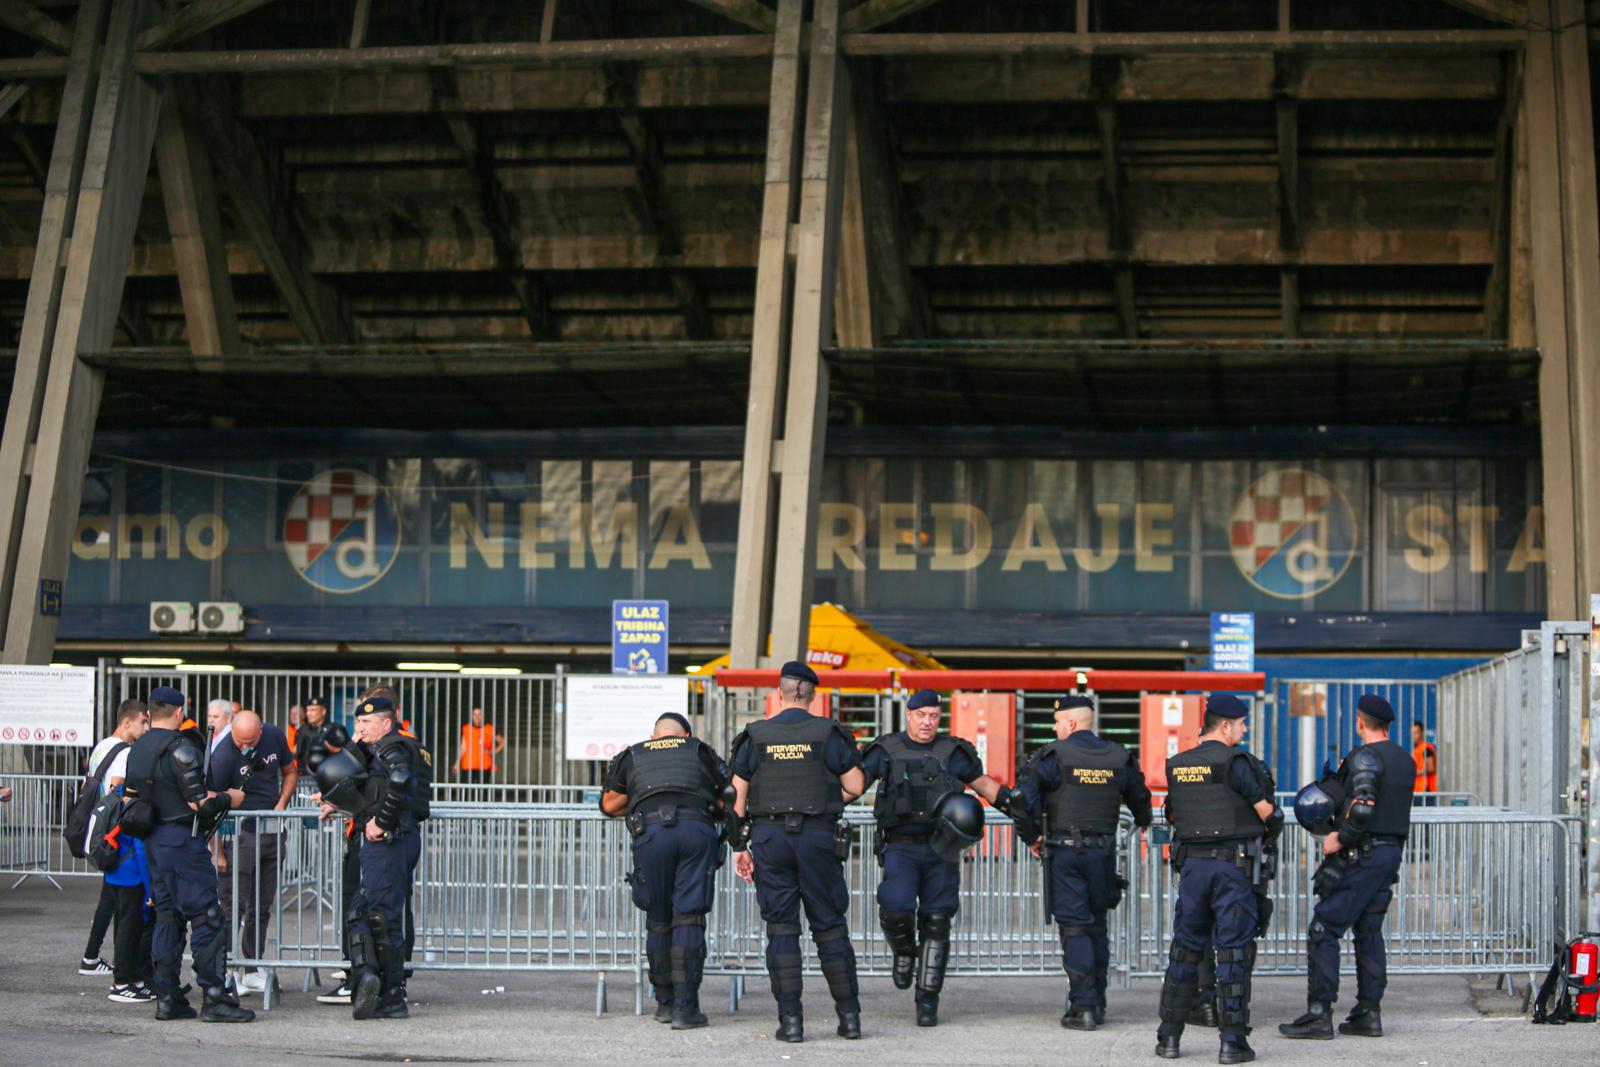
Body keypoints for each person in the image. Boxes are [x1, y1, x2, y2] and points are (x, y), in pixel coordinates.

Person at [859, 688, 1022, 1027]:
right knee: (896, 906)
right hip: (900, 846)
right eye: (921, 716)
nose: (927, 722)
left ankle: (927, 1000)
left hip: (941, 849)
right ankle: (904, 953)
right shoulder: (886, 749)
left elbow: (983, 785)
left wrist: (1015, 804)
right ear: (909, 715)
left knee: (937, 921)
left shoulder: (953, 751)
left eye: (933, 716)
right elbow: (853, 785)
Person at [728, 661, 867, 1043]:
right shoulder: (829, 732)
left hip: (770, 839)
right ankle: (850, 1019)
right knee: (830, 927)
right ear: (813, 696)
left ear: (779, 693)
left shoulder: (755, 735)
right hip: (819, 837)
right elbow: (855, 785)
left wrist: (739, 846)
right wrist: (823, 799)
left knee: (782, 930)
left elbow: (735, 801)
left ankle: (791, 1023)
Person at [1279, 694, 1414, 1041]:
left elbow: (1364, 808)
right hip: (1389, 854)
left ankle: (1319, 1014)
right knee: (1369, 931)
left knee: (1324, 929)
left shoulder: (1365, 757)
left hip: (1363, 855)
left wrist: (1340, 838)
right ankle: (1368, 1014)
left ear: (1359, 721)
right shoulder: (1405, 759)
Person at [1155, 695, 1281, 1065]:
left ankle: (1169, 1038)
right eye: (1241, 724)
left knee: (1184, 950)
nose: (1244, 730)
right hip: (1231, 870)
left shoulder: (1178, 765)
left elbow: (1175, 815)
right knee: (1232, 953)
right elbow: (1269, 816)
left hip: (1193, 869)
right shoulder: (1238, 763)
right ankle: (1232, 1043)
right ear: (1224, 725)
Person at [1016, 694, 1153, 1031]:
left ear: (1072, 723)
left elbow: (1022, 800)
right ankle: (1099, 1001)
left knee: (1075, 927)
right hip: (1104, 854)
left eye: (1058, 722)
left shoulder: (1053, 756)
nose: (1055, 727)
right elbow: (1142, 802)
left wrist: (1032, 836)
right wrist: (1142, 820)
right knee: (1096, 926)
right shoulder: (1119, 756)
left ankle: (1084, 1007)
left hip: (1064, 852)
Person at [122, 686, 254, 1023]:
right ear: (179, 712)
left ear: (151, 712)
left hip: (153, 841)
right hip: (182, 840)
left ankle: (167, 997)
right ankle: (214, 998)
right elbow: (201, 804)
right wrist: (229, 797)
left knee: (167, 915)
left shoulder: (137, 750)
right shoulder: (182, 749)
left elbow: (129, 798)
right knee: (207, 916)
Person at [600, 711, 731, 1029]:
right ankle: (687, 1010)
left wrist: (643, 795)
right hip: (695, 831)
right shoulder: (700, 751)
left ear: (654, 735)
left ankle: (664, 1004)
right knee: (688, 916)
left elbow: (609, 805)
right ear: (685, 735)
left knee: (658, 919)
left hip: (652, 834)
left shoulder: (634, 754)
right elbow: (728, 797)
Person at [338, 695, 432, 1020]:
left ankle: (392, 996)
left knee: (384, 919)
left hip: (391, 841)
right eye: (358, 722)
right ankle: (368, 978)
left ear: (387, 723)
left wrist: (381, 821)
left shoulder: (391, 746)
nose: (360, 728)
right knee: (362, 913)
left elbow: (400, 779)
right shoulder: (385, 747)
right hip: (391, 842)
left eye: (367, 722)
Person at [209, 710, 297, 996]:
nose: (244, 746)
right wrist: (217, 852)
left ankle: (251, 966)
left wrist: (282, 803)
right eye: (239, 741)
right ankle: (226, 967)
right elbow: (212, 807)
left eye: (250, 741)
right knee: (232, 905)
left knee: (261, 905)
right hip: (240, 835)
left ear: (260, 730)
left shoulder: (273, 735)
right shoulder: (222, 755)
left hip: (272, 830)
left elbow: (290, 772)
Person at [88, 699, 155, 1002]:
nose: (146, 729)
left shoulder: (102, 746)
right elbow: (119, 788)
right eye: (143, 722)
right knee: (129, 924)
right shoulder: (126, 755)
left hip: (112, 853)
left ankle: (121, 973)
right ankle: (123, 982)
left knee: (118, 918)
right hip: (126, 860)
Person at [455, 706, 506, 785]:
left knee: (483, 792)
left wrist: (493, 752)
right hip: (468, 765)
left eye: (479, 714)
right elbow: (463, 747)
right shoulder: (466, 729)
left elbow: (503, 742)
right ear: (472, 716)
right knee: (465, 791)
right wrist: (457, 762)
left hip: (484, 766)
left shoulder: (489, 728)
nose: (477, 717)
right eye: (475, 714)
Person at [294, 696, 334, 775]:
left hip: (327, 774)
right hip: (306, 776)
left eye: (313, 710)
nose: (309, 713)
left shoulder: (332, 729)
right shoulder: (302, 730)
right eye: (308, 710)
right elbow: (298, 753)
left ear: (323, 711)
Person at [1411, 722, 1437, 804]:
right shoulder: (1418, 749)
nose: (1413, 736)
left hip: (1425, 790)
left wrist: (1414, 772)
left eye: (1416, 733)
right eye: (1412, 733)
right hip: (1418, 790)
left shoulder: (1426, 749)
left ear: (1422, 733)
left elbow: (1431, 768)